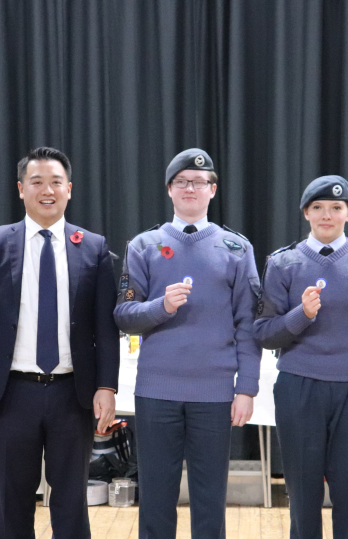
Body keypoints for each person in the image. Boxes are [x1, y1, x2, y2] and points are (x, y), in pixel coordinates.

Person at [0, 146, 119, 539]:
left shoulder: (93, 247)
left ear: (69, 189)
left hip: (73, 393)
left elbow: (105, 327)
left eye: (55, 182)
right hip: (12, 393)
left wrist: (107, 386)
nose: (47, 190)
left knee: (71, 501)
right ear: (21, 189)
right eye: (36, 182)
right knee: (13, 502)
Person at [113, 148, 260, 539]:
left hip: (214, 394)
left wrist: (246, 388)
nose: (190, 188)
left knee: (210, 500)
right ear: (169, 190)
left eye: (199, 182)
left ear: (213, 189)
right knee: (156, 499)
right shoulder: (143, 245)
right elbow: (123, 315)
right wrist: (161, 307)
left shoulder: (237, 249)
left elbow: (249, 325)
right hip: (156, 392)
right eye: (182, 182)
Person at [254, 176, 348, 539]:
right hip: (299, 386)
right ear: (306, 213)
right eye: (317, 207)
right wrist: (302, 315)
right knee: (302, 491)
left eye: (335, 207)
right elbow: (266, 332)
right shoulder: (283, 263)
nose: (326, 215)